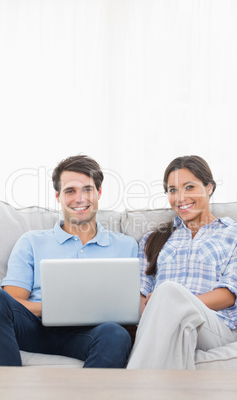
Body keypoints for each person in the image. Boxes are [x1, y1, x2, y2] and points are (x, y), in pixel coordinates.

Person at [0, 154, 138, 367]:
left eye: (87, 189)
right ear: (58, 196)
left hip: (90, 334)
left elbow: (130, 307)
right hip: (34, 329)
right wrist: (52, 307)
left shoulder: (126, 246)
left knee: (116, 334)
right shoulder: (31, 241)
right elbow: (11, 303)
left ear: (99, 192)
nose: (80, 198)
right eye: (70, 191)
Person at [127, 155, 237, 369]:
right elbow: (142, 294)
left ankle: (132, 386)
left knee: (169, 293)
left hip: (215, 326)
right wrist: (165, 308)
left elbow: (229, 294)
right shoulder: (152, 239)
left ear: (209, 187)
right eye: (172, 190)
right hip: (163, 322)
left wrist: (175, 303)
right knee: (179, 323)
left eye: (189, 187)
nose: (180, 197)